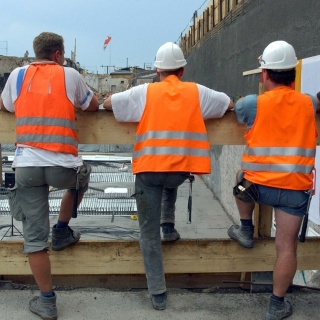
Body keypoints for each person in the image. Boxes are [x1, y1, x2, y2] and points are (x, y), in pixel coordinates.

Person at [103, 41, 234, 310]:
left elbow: (108, 104)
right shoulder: (198, 93)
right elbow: (228, 104)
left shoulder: (144, 92)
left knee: (147, 234)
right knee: (171, 173)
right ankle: (168, 224)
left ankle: (158, 292)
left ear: (157, 71)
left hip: (150, 171)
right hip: (179, 171)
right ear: (182, 70)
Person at [0, 32, 99, 320]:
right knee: (83, 176)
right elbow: (91, 105)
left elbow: (5, 105)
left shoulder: (17, 76)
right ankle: (62, 230)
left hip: (27, 166)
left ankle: (46, 301)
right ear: (57, 54)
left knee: (34, 239)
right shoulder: (70, 75)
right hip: (63, 167)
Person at [227, 40, 318, 320]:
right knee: (286, 248)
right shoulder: (309, 103)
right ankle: (276, 304)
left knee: (239, 177)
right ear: (294, 73)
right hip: (295, 192)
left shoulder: (252, 104)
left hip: (257, 190)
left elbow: (236, 110)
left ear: (264, 74)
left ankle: (245, 228)